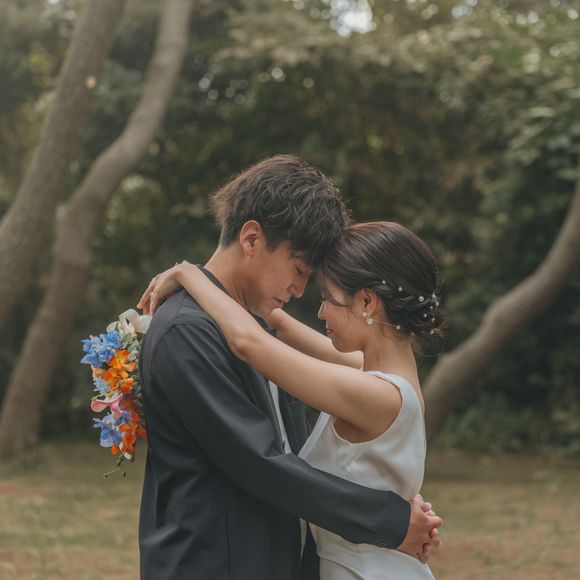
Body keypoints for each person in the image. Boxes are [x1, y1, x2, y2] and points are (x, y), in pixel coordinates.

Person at [137, 156, 442, 580]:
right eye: (298, 270)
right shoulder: (188, 331)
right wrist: (391, 519)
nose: (301, 291)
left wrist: (191, 276)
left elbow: (260, 346)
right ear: (251, 239)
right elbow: (260, 462)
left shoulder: (259, 331)